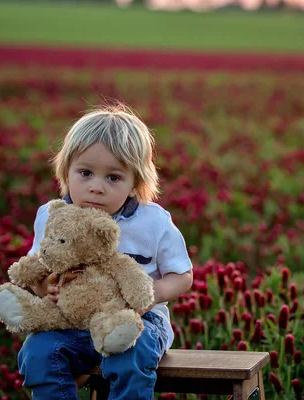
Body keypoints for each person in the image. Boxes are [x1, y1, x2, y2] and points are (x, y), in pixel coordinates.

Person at [17, 103, 194, 400]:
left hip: (138, 321)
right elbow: (38, 269)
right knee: (38, 351)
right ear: (66, 171)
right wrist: (44, 287)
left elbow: (183, 276)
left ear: (135, 181)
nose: (96, 187)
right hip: (71, 322)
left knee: (130, 353)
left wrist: (149, 292)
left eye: (113, 177)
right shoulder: (52, 215)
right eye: (85, 173)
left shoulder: (152, 221)